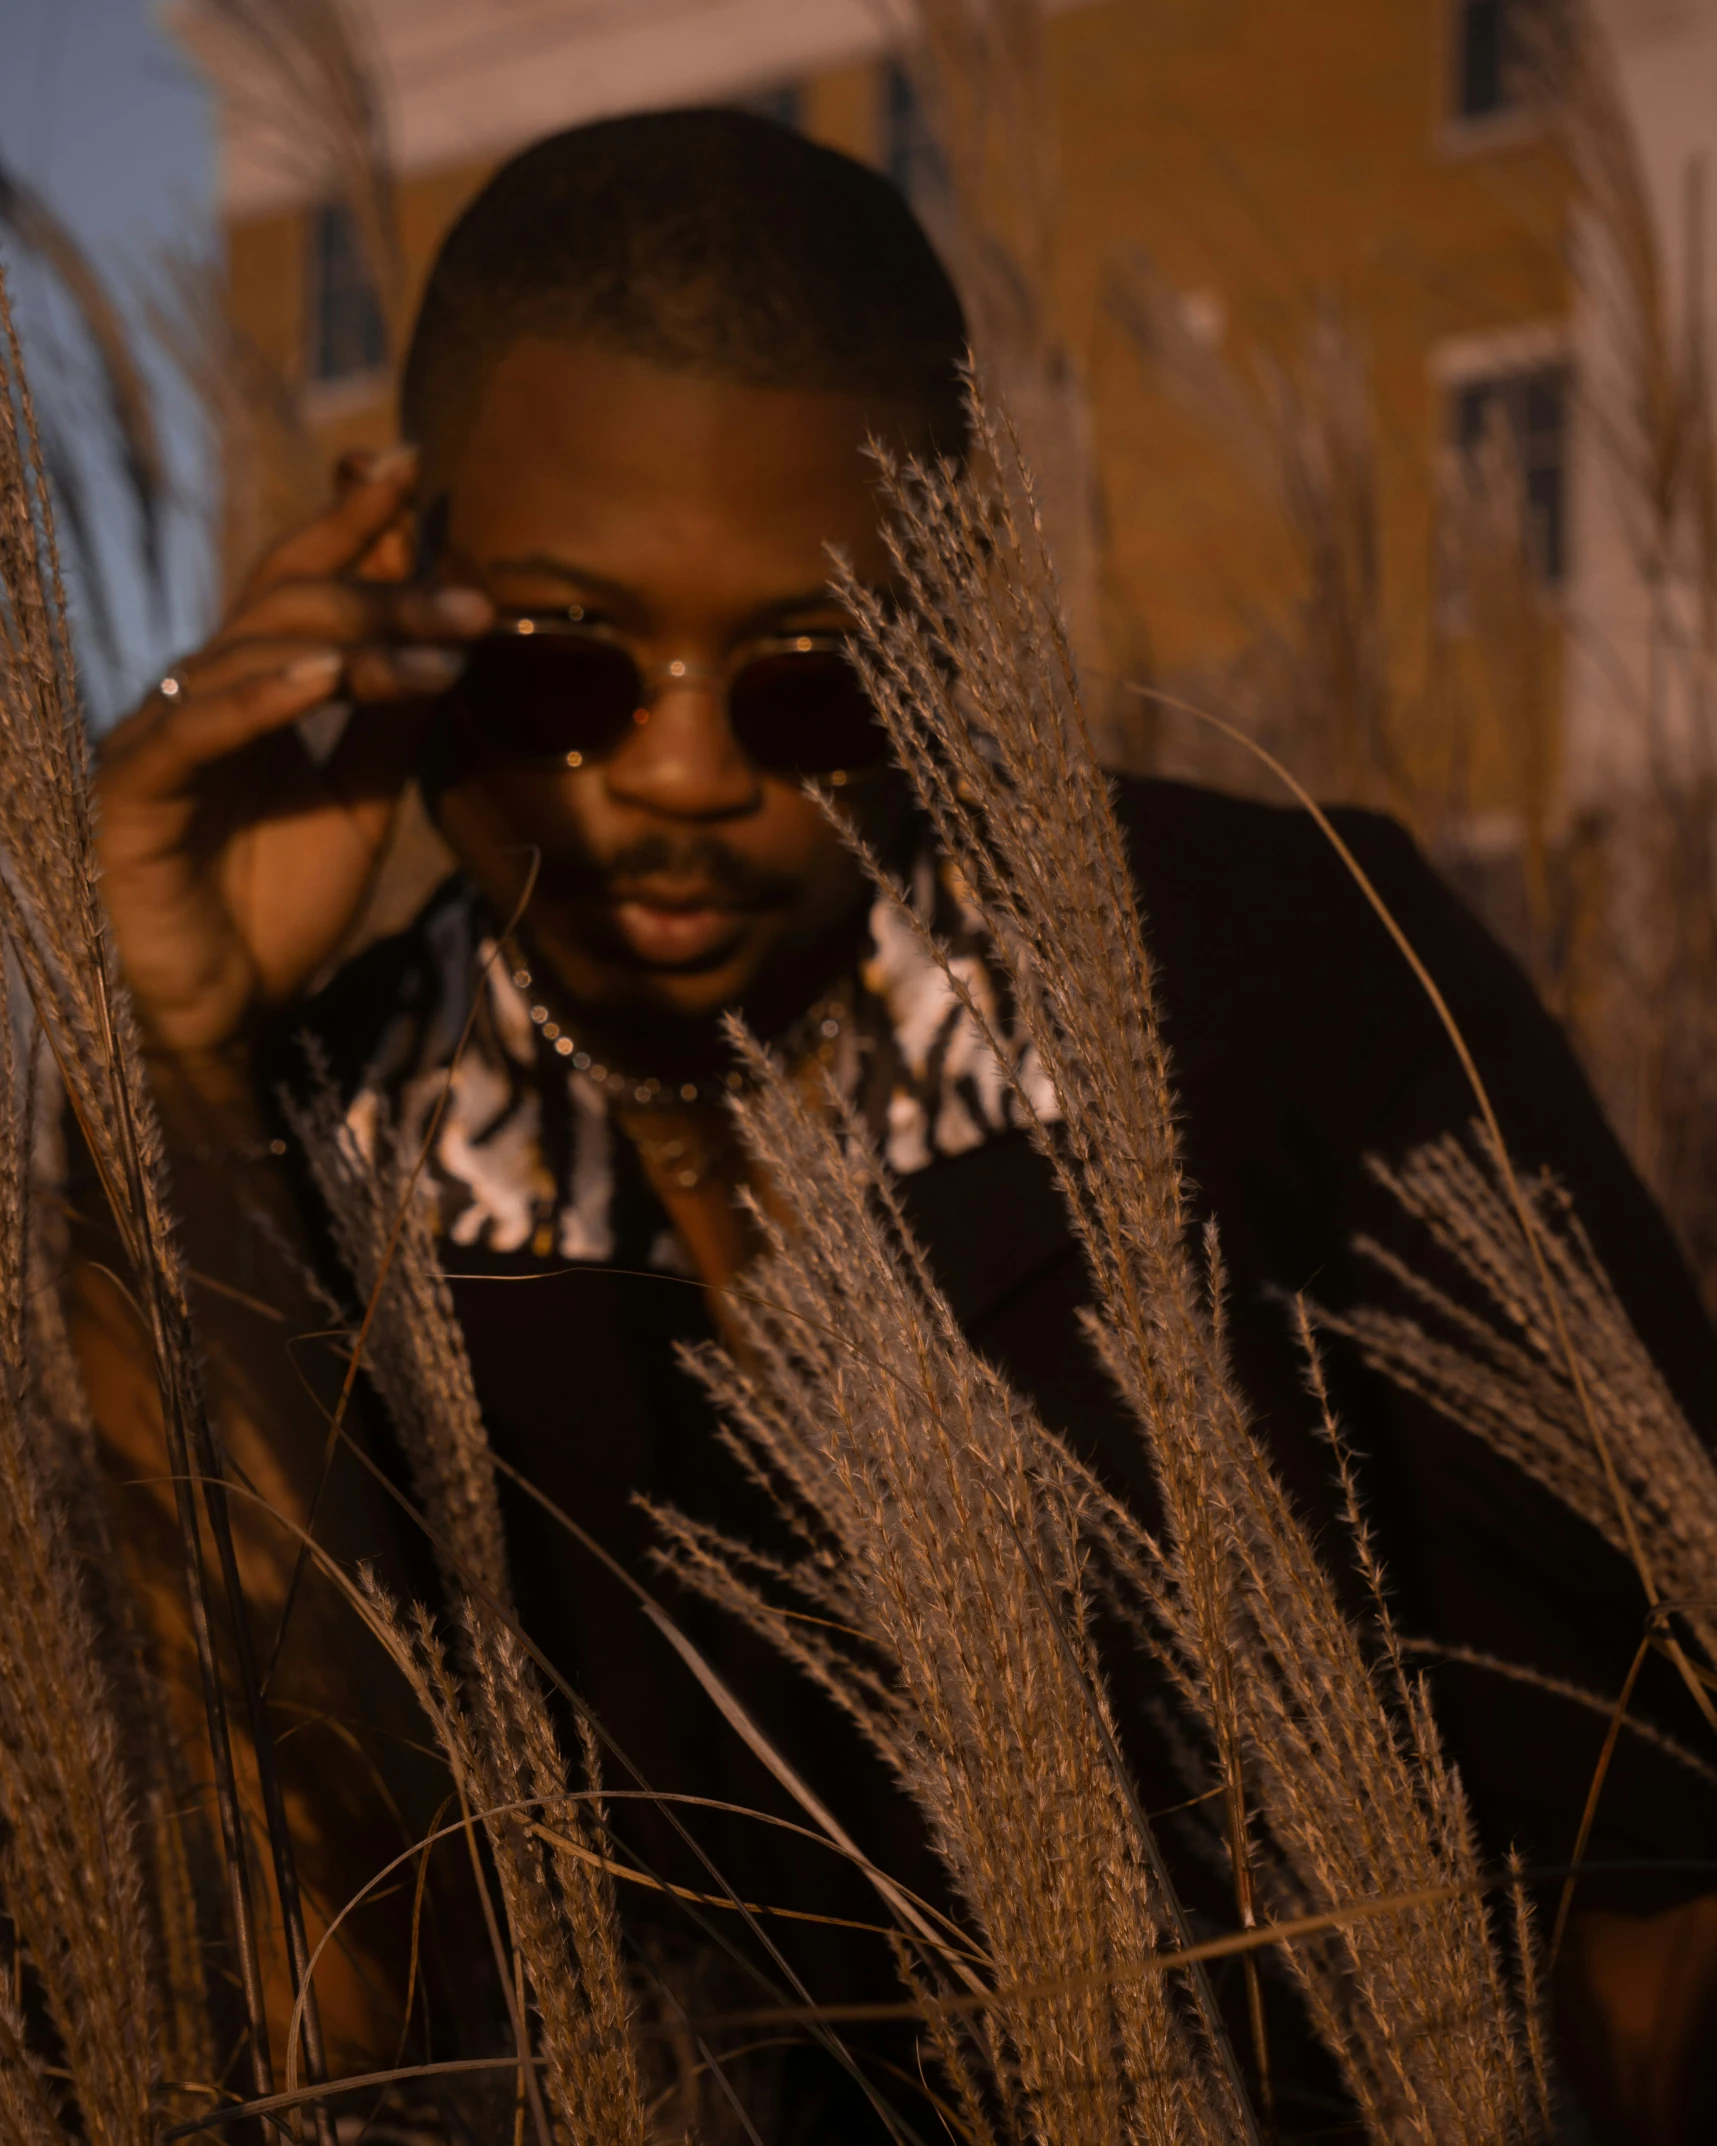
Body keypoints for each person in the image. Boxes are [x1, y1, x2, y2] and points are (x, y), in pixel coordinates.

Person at [93, 110, 1717, 2141]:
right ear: (391, 570)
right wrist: (168, 1060)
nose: (682, 771)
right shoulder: (311, 1132)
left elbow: (1658, 1858)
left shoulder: (1258, 979)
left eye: (810, 683)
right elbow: (291, 1971)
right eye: (564, 659)